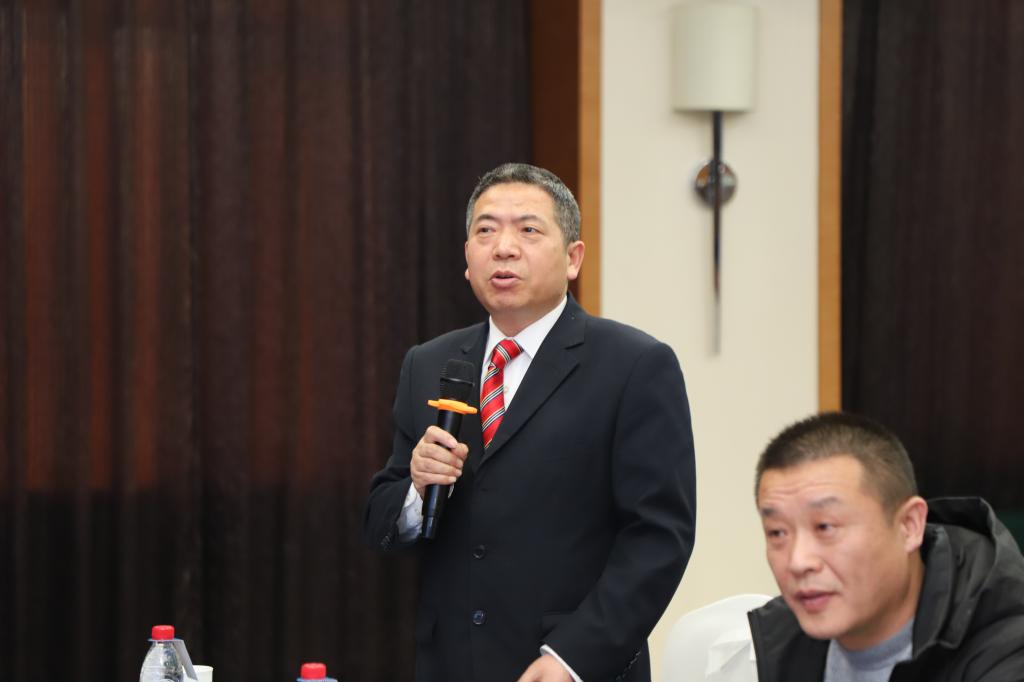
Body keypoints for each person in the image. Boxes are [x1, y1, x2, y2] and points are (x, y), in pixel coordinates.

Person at [363, 162, 696, 682]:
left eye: (528, 230)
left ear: (573, 258)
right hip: (451, 663)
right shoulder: (428, 364)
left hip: (573, 666)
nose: (504, 248)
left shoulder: (634, 365)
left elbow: (659, 536)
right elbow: (381, 517)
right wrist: (416, 489)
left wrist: (572, 658)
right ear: (467, 258)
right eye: (486, 230)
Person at [749, 412, 1024, 681]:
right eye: (777, 532)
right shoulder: (777, 642)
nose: (798, 561)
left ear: (909, 525)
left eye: (825, 527)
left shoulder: (1005, 650)